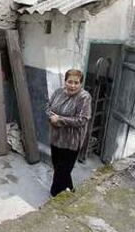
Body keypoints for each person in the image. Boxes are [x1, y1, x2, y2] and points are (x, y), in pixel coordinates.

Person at [46, 69, 92, 197]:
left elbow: (82, 119)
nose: (72, 85)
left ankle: (54, 197)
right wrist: (51, 117)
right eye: (70, 82)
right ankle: (71, 189)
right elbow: (48, 107)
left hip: (71, 142)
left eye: (76, 82)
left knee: (61, 173)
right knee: (59, 169)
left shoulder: (84, 97)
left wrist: (59, 119)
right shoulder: (58, 92)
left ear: (81, 84)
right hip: (56, 138)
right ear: (65, 81)